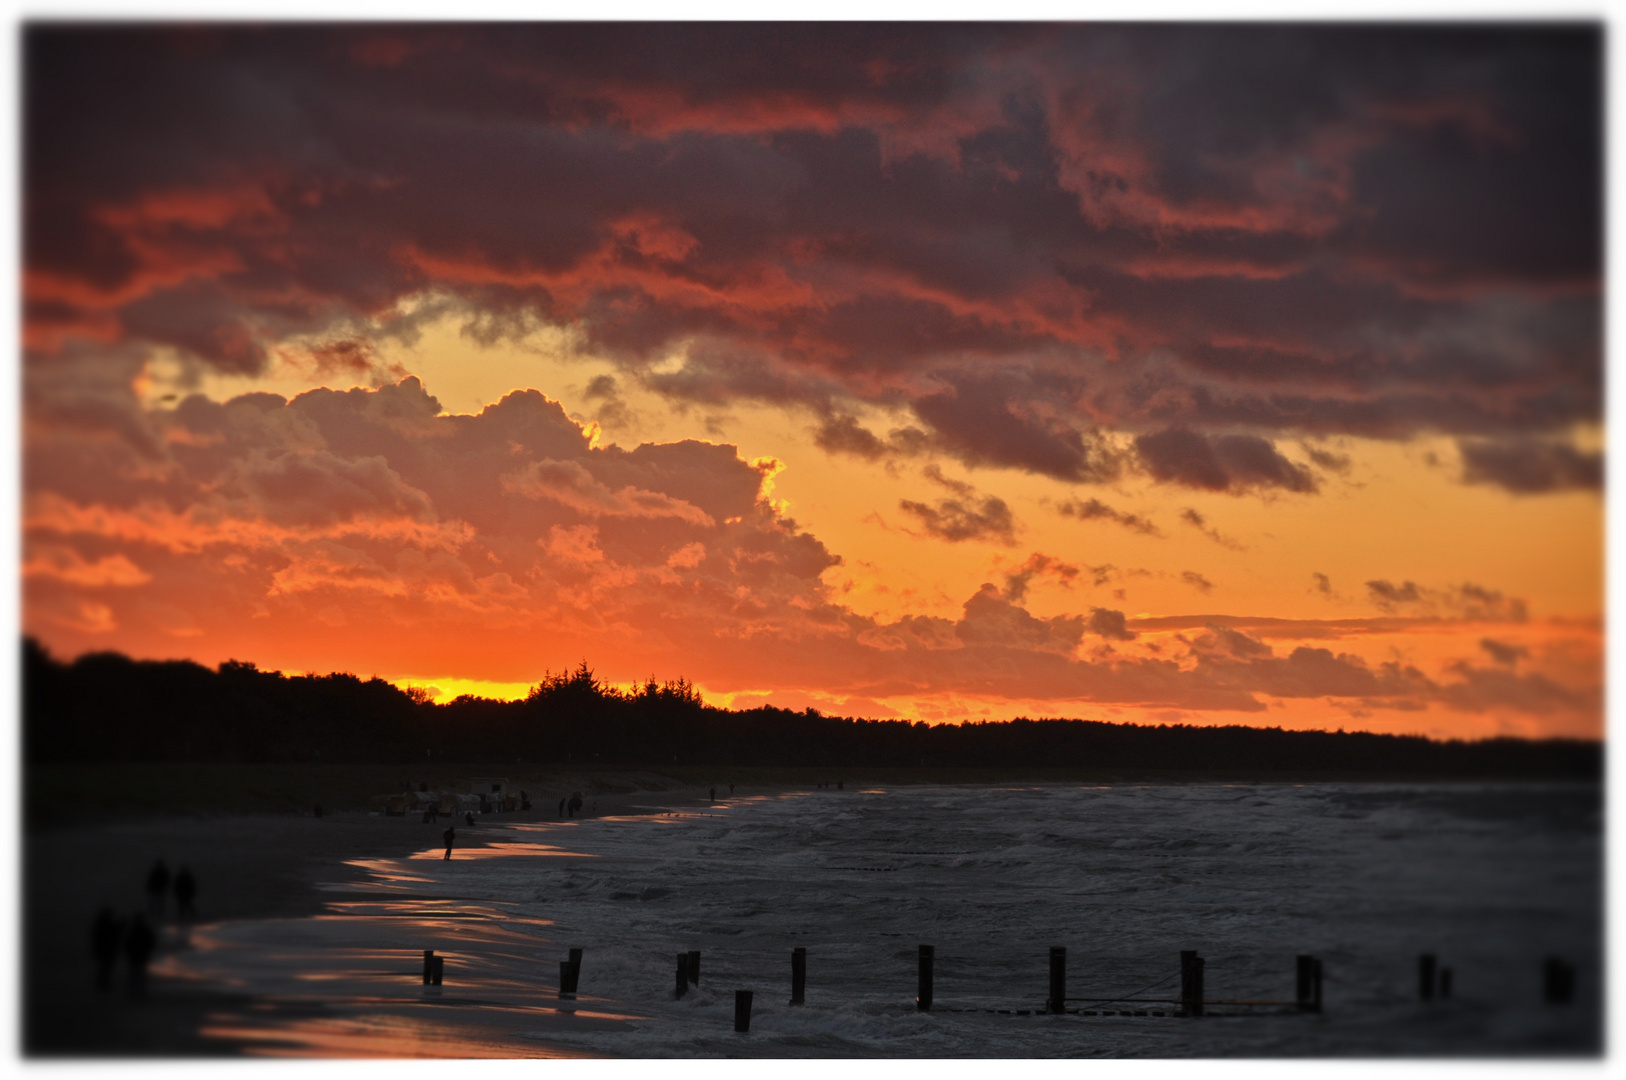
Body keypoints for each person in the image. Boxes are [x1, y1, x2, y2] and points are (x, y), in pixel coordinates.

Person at [124, 912, 156, 997]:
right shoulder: (145, 930)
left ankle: (134, 993)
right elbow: (151, 942)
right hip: (141, 956)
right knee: (141, 975)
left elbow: (127, 944)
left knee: (134, 975)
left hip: (135, 956)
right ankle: (140, 993)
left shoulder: (132, 931)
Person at [92, 907, 122, 991]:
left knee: (104, 968)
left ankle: (102, 984)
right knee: (106, 969)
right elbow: (115, 933)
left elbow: (96, 939)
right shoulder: (108, 925)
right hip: (108, 951)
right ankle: (104, 984)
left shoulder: (100, 925)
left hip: (104, 951)